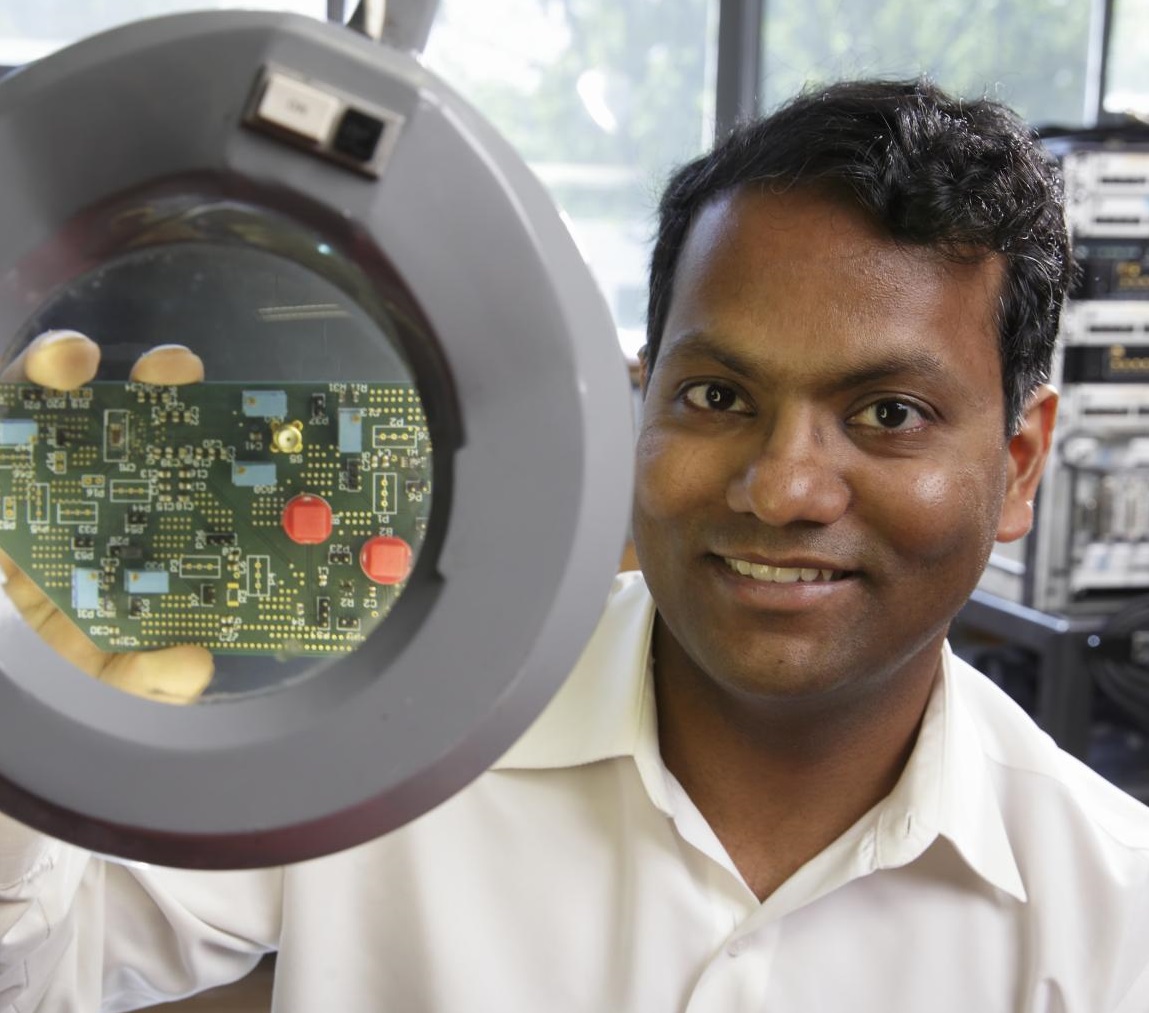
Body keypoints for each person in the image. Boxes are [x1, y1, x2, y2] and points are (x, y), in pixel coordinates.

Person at [3, 77, 1149, 1012]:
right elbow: (42, 962)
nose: (784, 487)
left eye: (888, 414)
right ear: (639, 406)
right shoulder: (376, 722)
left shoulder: (1112, 921)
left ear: (1020, 464)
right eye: (716, 394)